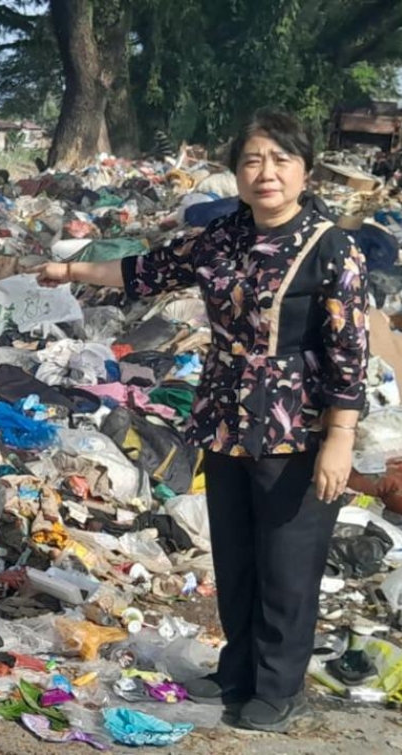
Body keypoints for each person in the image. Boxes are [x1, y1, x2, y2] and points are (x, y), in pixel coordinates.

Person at [35, 109, 368, 732]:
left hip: (296, 422)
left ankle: (278, 686)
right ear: (236, 173)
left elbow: (350, 351)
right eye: (251, 161)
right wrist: (71, 271)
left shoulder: (331, 247)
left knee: (288, 561)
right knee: (237, 553)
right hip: (223, 416)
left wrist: (340, 439)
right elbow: (145, 271)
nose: (265, 173)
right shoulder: (222, 236)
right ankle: (237, 670)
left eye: (279, 160)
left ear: (305, 170)